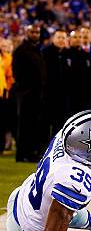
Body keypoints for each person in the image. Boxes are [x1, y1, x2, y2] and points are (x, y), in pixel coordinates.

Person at [12, 25, 47, 162]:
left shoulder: (37, 49)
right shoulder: (21, 50)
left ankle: (32, 152)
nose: (35, 34)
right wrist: (25, 89)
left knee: (34, 124)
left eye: (37, 32)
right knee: (25, 124)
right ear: (27, 33)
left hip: (38, 93)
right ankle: (22, 154)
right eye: (32, 32)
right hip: (26, 93)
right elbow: (17, 72)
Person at [42, 30, 68, 138]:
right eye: (59, 37)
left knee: (61, 124)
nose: (61, 40)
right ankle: (44, 150)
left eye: (63, 38)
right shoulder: (45, 53)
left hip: (63, 95)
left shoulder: (67, 53)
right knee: (46, 124)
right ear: (53, 38)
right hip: (48, 94)